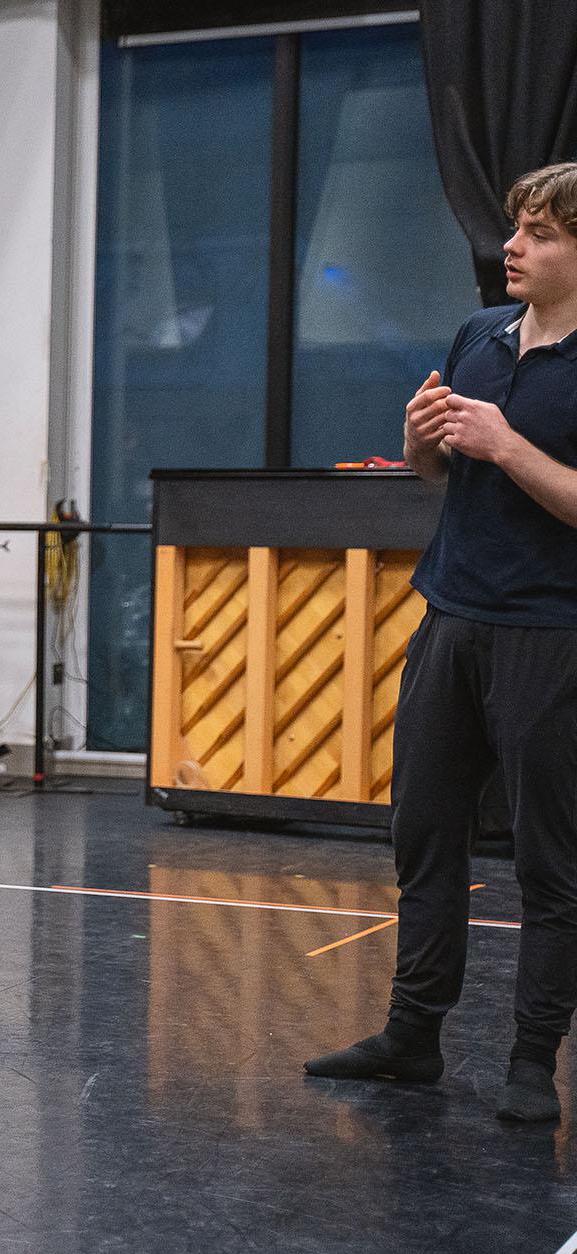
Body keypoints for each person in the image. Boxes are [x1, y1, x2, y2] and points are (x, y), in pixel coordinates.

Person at [306, 163, 577, 1124]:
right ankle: (412, 1036)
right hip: (451, 615)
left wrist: (506, 444)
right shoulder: (479, 336)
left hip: (553, 633)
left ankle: (531, 1064)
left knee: (552, 860)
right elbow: (438, 479)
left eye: (540, 233)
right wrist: (425, 442)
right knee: (422, 835)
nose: (513, 246)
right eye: (516, 228)